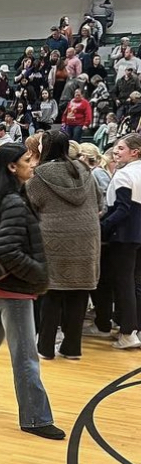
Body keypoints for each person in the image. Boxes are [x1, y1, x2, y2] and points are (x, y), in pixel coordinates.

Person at [0, 144, 65, 440]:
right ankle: (36, 419)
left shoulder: (3, 195)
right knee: (26, 357)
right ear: (12, 167)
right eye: (27, 160)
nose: (33, 164)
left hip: (2, 287)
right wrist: (39, 274)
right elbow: (9, 250)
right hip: (13, 290)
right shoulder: (13, 201)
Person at [28, 130, 101, 359]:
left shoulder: (40, 174)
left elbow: (29, 205)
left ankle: (46, 347)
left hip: (54, 238)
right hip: (87, 237)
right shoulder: (84, 169)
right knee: (79, 291)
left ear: (45, 147)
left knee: (52, 292)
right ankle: (72, 348)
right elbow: (99, 202)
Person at [97, 134, 141, 349]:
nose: (116, 151)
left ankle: (127, 332)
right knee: (134, 283)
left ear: (135, 152)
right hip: (137, 234)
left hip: (124, 236)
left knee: (124, 284)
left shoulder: (124, 174)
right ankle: (134, 329)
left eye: (121, 148)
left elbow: (122, 209)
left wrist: (101, 227)